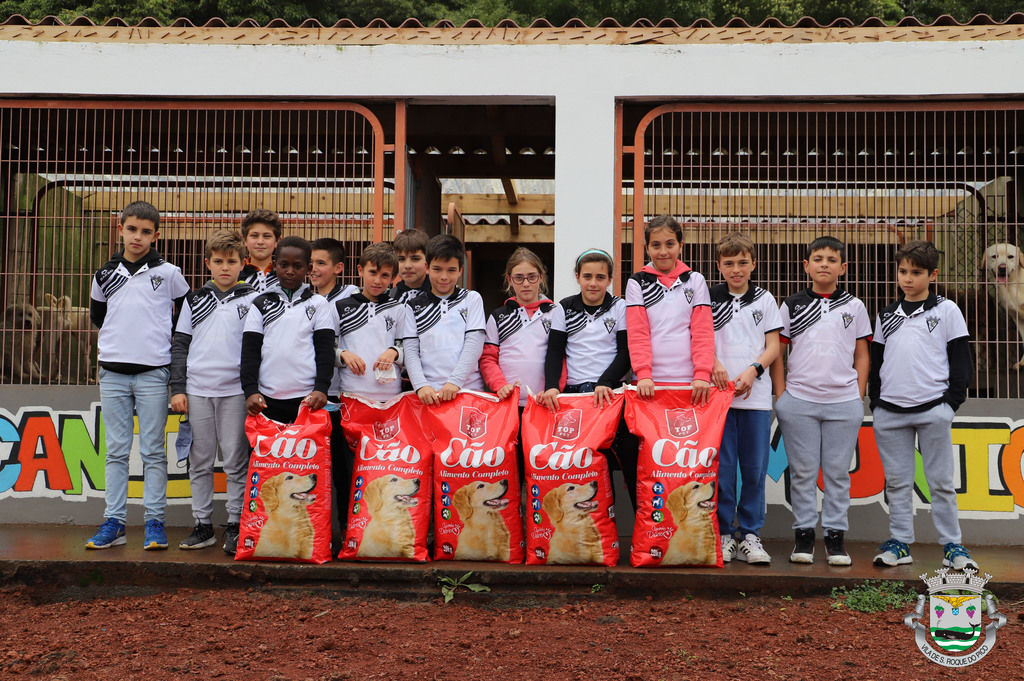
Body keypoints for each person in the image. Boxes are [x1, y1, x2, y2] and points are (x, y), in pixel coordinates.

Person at [86, 200, 189, 550]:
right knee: (115, 450)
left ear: (156, 236)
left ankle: (154, 522)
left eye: (146, 232)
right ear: (120, 229)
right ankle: (114, 522)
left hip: (153, 375)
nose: (137, 237)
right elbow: (99, 317)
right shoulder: (104, 274)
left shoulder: (170, 273)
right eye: (132, 229)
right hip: (112, 374)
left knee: (152, 451)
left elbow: (185, 318)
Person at [868, 240, 977, 571]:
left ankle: (953, 546)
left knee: (941, 482)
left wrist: (950, 404)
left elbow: (961, 360)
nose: (908, 279)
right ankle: (900, 543)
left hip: (934, 409)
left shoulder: (947, 310)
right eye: (903, 271)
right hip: (890, 412)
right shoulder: (886, 314)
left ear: (933, 274)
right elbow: (876, 363)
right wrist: (878, 403)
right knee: (898, 482)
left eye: (916, 272)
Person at [770, 236, 870, 566]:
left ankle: (835, 538)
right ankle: (803, 536)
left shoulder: (854, 306)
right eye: (817, 258)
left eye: (831, 259)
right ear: (806, 265)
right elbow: (778, 352)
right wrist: (782, 396)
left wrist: (857, 396)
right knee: (802, 472)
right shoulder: (792, 305)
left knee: (837, 473)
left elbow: (861, 354)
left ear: (843, 267)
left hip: (844, 403)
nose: (823, 263)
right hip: (798, 401)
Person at [170, 230, 256, 554]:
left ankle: (235, 524)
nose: (224, 267)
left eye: (231, 261)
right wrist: (179, 389)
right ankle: (203, 525)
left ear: (243, 264)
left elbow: (256, 350)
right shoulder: (194, 300)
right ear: (207, 263)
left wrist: (251, 390)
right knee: (200, 460)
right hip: (196, 391)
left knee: (235, 460)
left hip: (235, 392)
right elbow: (180, 346)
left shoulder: (252, 300)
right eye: (218, 261)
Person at [538, 248, 636, 504]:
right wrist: (551, 387)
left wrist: (606, 382)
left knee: (630, 461)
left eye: (600, 277)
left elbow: (627, 353)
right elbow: (555, 353)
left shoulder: (619, 307)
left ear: (610, 279)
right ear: (578, 277)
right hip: (575, 398)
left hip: (612, 396)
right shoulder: (564, 308)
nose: (593, 283)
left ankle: (645, 535)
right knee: (579, 466)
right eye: (587, 276)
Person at [708, 233, 782, 565]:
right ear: (719, 266)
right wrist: (714, 366)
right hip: (718, 401)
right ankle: (724, 534)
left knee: (753, 470)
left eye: (742, 263)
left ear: (753, 263)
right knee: (722, 472)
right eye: (728, 264)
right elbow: (699, 341)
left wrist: (753, 370)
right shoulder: (708, 299)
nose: (736, 270)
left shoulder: (765, 300)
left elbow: (774, 347)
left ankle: (750, 535)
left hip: (755, 400)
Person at [240, 236, 335, 424]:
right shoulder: (260, 303)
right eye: (284, 265)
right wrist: (250, 391)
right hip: (267, 400)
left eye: (297, 266)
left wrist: (321, 388)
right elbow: (250, 352)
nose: (290, 271)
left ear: (308, 269)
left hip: (308, 399)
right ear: (275, 266)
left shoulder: (319, 304)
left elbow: (325, 352)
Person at [625, 215, 714, 406]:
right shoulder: (636, 283)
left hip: (691, 383)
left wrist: (702, 374)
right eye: (656, 245)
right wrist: (643, 374)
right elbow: (637, 334)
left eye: (670, 244)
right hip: (648, 384)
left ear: (681, 246)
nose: (663, 252)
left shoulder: (696, 280)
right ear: (647, 248)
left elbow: (702, 333)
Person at [402, 234, 486, 404]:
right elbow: (410, 350)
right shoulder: (412, 306)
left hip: (468, 392)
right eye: (437, 269)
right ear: (427, 267)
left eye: (451, 270)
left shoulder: (472, 299)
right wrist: (421, 386)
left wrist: (455, 381)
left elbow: (474, 344)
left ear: (461, 270)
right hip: (428, 395)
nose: (444, 277)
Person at [481, 247, 558, 406]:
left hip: (544, 403)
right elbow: (488, 358)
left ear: (541, 277)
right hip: (508, 403)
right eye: (519, 278)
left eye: (532, 277)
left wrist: (553, 388)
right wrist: (500, 385)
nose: (526, 284)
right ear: (509, 279)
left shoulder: (556, 314)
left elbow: (562, 357)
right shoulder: (498, 317)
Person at [336, 242, 407, 401]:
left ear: (393, 278)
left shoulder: (399, 309)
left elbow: (410, 349)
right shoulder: (340, 307)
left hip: (390, 396)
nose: (377, 280)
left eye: (384, 275)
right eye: (372, 272)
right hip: (351, 393)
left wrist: (394, 352)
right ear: (360, 270)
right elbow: (326, 348)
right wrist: (343, 354)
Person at [239, 209, 282, 292]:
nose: (260, 242)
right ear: (244, 240)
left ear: (277, 241)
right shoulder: (235, 275)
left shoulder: (285, 277)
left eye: (267, 236)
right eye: (254, 236)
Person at [390, 228, 431, 303]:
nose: (407, 266)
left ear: (428, 261)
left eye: (415, 259)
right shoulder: (390, 298)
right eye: (401, 259)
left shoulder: (441, 297)